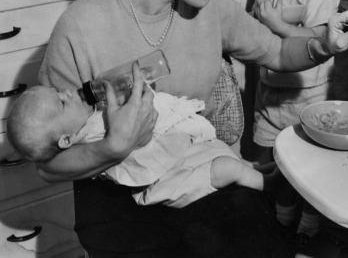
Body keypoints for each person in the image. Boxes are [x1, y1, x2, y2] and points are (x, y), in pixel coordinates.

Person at [36, 0, 348, 258]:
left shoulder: (210, 6)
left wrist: (322, 44)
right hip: (119, 200)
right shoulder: (80, 27)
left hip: (202, 175)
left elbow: (276, 52)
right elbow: (46, 163)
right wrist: (112, 147)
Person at [7, 82, 285, 208]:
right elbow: (47, 169)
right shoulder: (90, 135)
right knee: (225, 167)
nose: (68, 91)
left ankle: (261, 170)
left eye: (58, 91)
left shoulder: (89, 120)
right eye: (62, 101)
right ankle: (272, 186)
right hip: (168, 180)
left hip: (177, 157)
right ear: (66, 139)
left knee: (220, 152)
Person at [251, 0, 340, 241]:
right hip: (268, 95)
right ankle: (282, 218)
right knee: (272, 162)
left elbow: (319, 37)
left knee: (309, 165)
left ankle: (311, 225)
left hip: (308, 97)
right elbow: (253, 37)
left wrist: (278, 25)